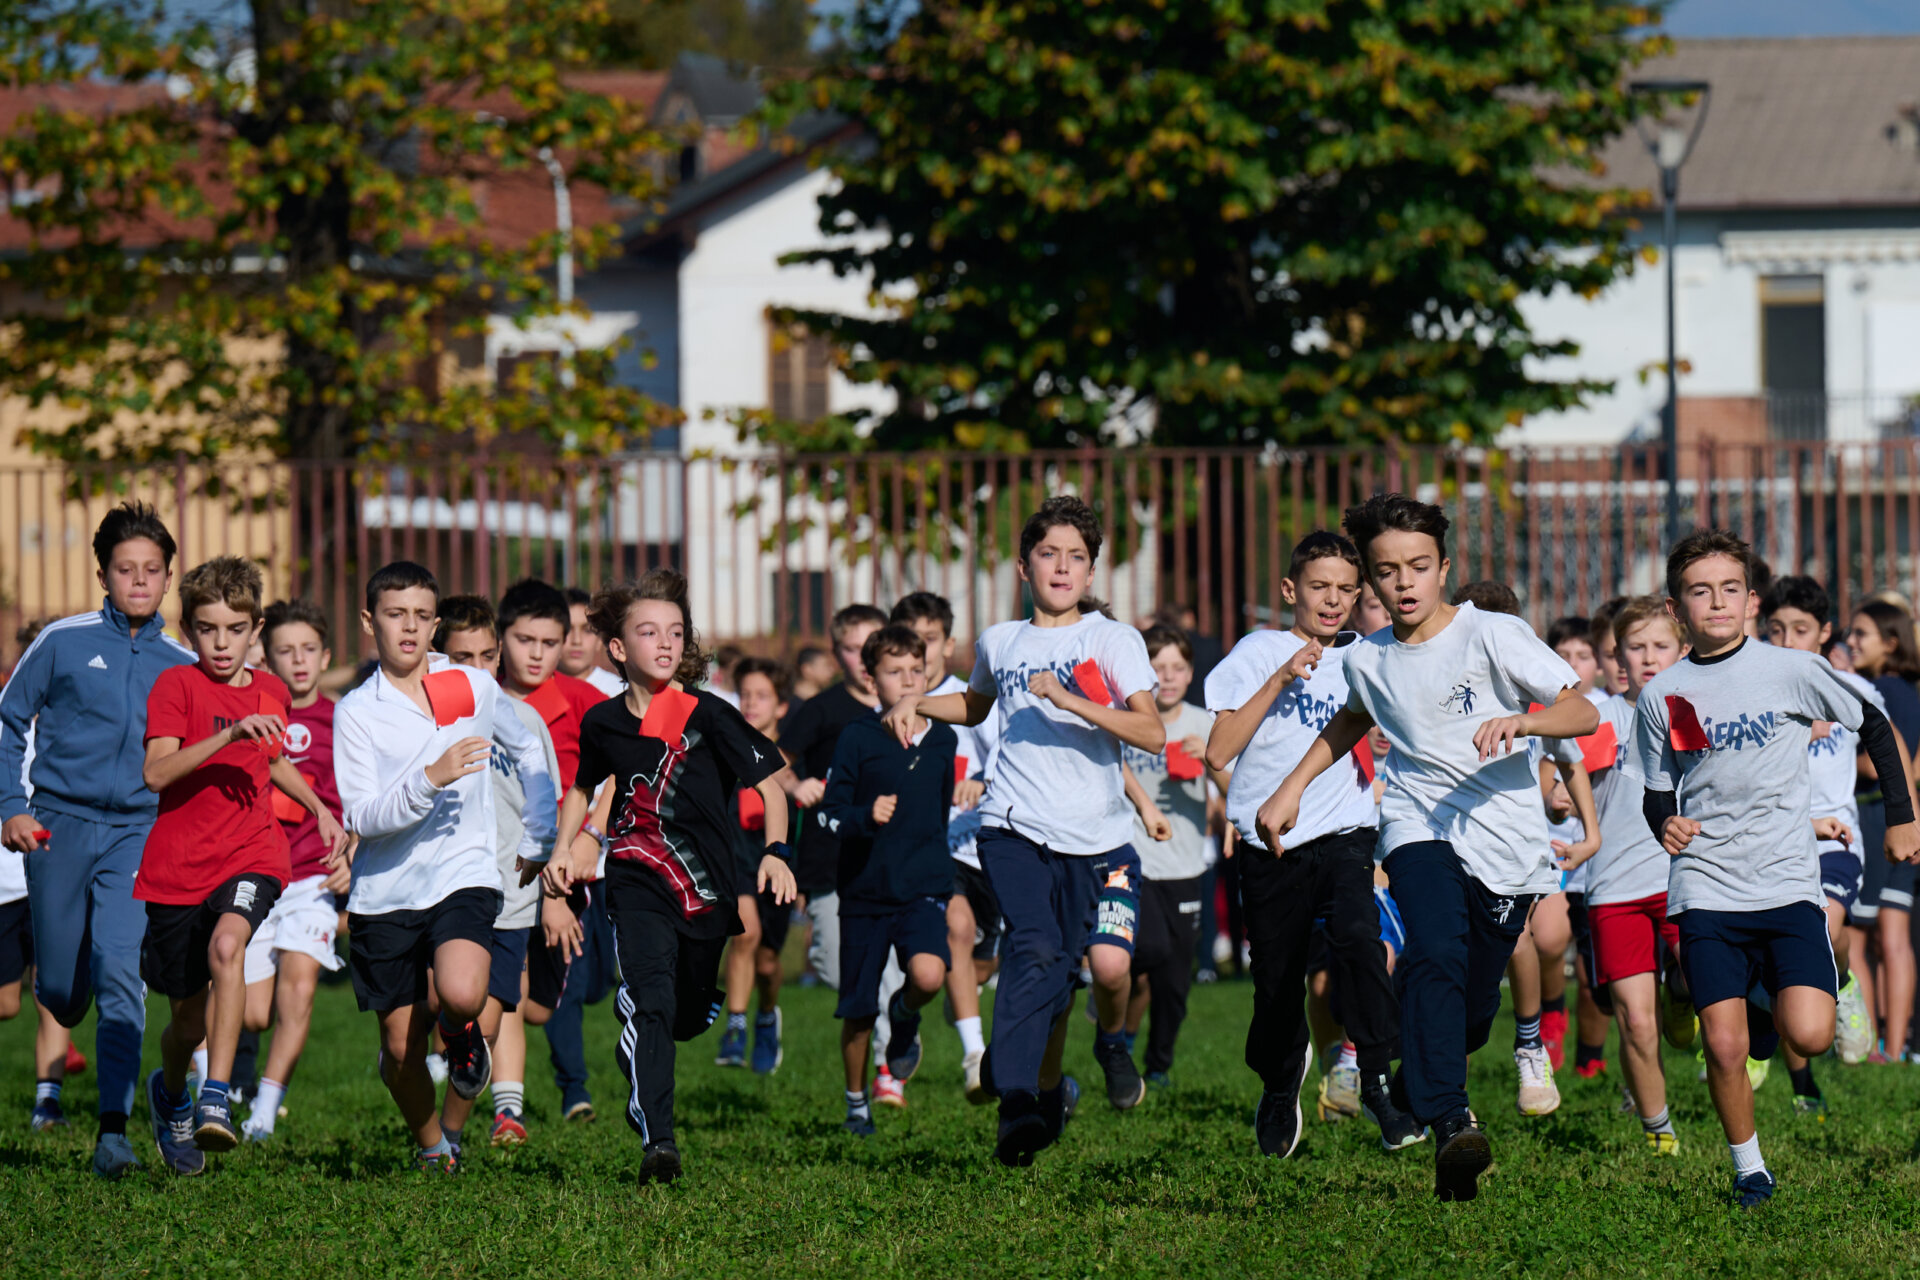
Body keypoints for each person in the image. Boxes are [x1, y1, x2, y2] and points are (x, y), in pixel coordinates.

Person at [1258, 494, 1599, 1201]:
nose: (1404, 583)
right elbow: (1352, 721)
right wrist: (1290, 788)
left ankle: (1419, 1081)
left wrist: (1523, 721)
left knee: (1472, 1011)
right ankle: (1451, 1127)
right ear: (1371, 585)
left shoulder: (1492, 634)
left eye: (1418, 566)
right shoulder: (1370, 658)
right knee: (1435, 949)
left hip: (1506, 842)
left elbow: (1583, 711)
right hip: (1420, 825)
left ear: (1443, 568)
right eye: (1387, 572)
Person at [1636, 530, 1918, 1208]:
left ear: (1751, 601)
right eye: (1700, 592)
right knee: (1724, 1046)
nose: (1717, 602)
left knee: (1810, 1033)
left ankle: (1768, 1005)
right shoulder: (1664, 695)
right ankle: (1750, 1170)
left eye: (1730, 589)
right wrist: (1663, 823)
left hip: (1788, 881)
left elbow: (1875, 725)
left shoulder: (1789, 669)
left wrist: (1904, 817)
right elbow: (1656, 792)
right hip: (1704, 884)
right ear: (1677, 610)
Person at [881, 495, 1164, 1167]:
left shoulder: (1109, 640)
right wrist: (915, 700)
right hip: (1012, 825)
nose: (1062, 567)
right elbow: (978, 704)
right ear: (1022, 565)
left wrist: (1073, 701)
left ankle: (1049, 1089)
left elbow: (1150, 730)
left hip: (1094, 838)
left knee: (1067, 972)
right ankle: (1012, 1100)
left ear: (1092, 573)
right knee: (1035, 948)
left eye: (1076, 558)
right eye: (1048, 554)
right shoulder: (1000, 641)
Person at [545, 569, 796, 1184]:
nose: (664, 643)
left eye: (676, 633)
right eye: (649, 631)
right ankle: (659, 1139)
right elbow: (583, 788)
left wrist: (777, 850)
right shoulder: (602, 722)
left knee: (683, 1016)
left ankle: (647, 1026)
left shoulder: (709, 714)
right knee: (653, 1001)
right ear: (617, 648)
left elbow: (772, 785)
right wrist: (565, 846)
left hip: (707, 886)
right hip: (634, 878)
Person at [334, 561, 558, 1171]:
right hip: (385, 892)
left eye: (422, 616)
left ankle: (462, 1042)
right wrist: (430, 780)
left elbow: (527, 747)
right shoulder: (357, 710)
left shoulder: (468, 684)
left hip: (465, 871)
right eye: (394, 614)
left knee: (463, 992)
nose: (409, 628)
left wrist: (541, 834)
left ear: (435, 623)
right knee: (398, 1049)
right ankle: (434, 1146)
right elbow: (364, 814)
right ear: (369, 621)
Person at [0, 502, 199, 1178]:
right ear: (103, 575)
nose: (138, 580)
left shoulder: (184, 664)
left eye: (151, 570)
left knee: (122, 971)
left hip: (138, 832)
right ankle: (63, 982)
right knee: (60, 990)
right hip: (58, 824)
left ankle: (113, 1131)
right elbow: (9, 721)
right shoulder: (61, 639)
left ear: (168, 578)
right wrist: (11, 808)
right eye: (125, 569)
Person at [135, 556, 345, 1172]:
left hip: (254, 853)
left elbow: (272, 760)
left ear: (255, 629)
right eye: (207, 629)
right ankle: (170, 1091)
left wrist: (318, 808)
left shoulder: (271, 690)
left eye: (234, 629)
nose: (221, 643)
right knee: (185, 1025)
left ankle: (216, 1099)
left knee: (229, 947)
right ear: (187, 630)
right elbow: (157, 773)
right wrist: (227, 736)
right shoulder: (176, 687)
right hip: (177, 868)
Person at [1447, 583, 1600, 1121]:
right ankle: (1452, 1104)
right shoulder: (1447, 689)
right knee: (1453, 971)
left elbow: (1570, 758)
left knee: (1526, 941)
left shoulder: (1536, 696)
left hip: (1518, 847)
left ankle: (1531, 1045)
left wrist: (1590, 832)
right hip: (1451, 846)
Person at [1762, 577, 1911, 1101]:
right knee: (1780, 952)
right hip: (1770, 839)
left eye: (1800, 630)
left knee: (1824, 927)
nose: (1786, 641)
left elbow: (1888, 741)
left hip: (1836, 838)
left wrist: (1906, 817)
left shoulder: (1851, 689)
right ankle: (1793, 1072)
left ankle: (1843, 985)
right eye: (1776, 629)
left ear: (1824, 633)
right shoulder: (1753, 687)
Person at [433, 596, 562, 1149]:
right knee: (414, 1031)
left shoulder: (525, 719)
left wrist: (549, 885)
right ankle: (429, 1118)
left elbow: (545, 807)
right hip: (435, 893)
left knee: (483, 1027)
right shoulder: (421, 722)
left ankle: (448, 1138)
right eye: (464, 657)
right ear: (437, 658)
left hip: (509, 896)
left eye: (488, 656)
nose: (479, 670)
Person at [821, 625, 956, 1135]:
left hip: (923, 888)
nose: (907, 681)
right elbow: (828, 815)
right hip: (864, 893)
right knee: (856, 1009)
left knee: (928, 976)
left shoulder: (943, 735)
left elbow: (938, 811)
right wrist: (864, 814)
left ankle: (904, 1015)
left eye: (916, 670)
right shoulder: (858, 737)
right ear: (870, 679)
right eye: (894, 671)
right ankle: (857, 1101)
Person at [494, 579, 612, 1125]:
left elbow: (616, 776)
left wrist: (589, 836)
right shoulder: (480, 699)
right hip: (497, 866)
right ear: (503, 638)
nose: (537, 654)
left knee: (550, 1001)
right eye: (525, 640)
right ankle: (524, 1105)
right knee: (508, 983)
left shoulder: (586, 703)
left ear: (566, 642)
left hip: (573, 865)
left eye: (549, 642)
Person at [1581, 595, 1691, 1154]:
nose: (1649, 658)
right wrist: (1559, 800)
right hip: (1614, 890)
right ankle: (1659, 1135)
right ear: (1618, 655)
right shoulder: (1601, 717)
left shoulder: (1692, 714)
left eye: (1661, 646)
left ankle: (1681, 990)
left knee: (1702, 980)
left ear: (1682, 650)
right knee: (1636, 1024)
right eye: (1637, 647)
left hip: (1684, 881)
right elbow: (1566, 785)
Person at [238, 599, 350, 1142]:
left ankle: (262, 1111)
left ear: (326, 655)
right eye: (286, 650)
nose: (299, 660)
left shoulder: (345, 719)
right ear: (267, 657)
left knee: (300, 987)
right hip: (256, 873)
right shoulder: (252, 716)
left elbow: (366, 798)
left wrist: (353, 851)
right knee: (254, 1014)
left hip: (313, 878)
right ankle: (201, 1075)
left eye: (309, 649)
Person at [890, 591, 1000, 1098]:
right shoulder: (885, 712)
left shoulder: (971, 698)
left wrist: (981, 781)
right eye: (911, 642)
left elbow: (1006, 759)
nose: (922, 654)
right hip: (932, 855)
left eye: (930, 641)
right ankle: (976, 1057)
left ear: (948, 644)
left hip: (987, 849)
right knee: (956, 929)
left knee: (982, 964)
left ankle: (909, 1009)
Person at [1121, 626, 1223, 1090]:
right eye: (1157, 668)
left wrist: (1210, 761)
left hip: (1185, 866)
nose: (1167, 677)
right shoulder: (1125, 718)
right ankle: (1117, 1033)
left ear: (1190, 673)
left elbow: (1232, 788)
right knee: (1145, 954)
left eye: (1177, 668)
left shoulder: (1203, 723)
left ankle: (1158, 1065)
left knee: (1175, 984)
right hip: (1131, 860)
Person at [780, 605, 886, 1019]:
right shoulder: (821, 709)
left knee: (896, 968)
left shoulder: (913, 707)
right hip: (831, 859)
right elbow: (774, 760)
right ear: (836, 652)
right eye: (851, 648)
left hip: (889, 857)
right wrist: (794, 784)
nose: (863, 658)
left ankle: (887, 1068)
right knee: (834, 964)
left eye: (871, 646)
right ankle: (882, 1030)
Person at [1844, 601, 1920, 1060]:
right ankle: (1896, 1048)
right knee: (1895, 936)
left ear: (1890, 643)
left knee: (1856, 934)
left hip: (1875, 816)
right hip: (1904, 817)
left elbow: (1880, 762)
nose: (1851, 643)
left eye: (1861, 635)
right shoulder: (1912, 690)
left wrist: (1836, 762)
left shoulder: (1878, 690)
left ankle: (1867, 1046)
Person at [716, 656, 794, 1073]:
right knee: (745, 932)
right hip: (736, 856)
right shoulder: (725, 747)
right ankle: (735, 1029)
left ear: (781, 705)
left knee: (767, 960)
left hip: (778, 860)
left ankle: (767, 1014)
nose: (750, 703)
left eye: (762, 696)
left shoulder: (792, 756)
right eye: (744, 694)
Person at [562, 586, 627, 699]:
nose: (577, 641)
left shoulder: (619, 692)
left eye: (587, 630)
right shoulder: (534, 689)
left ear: (599, 639)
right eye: (568, 630)